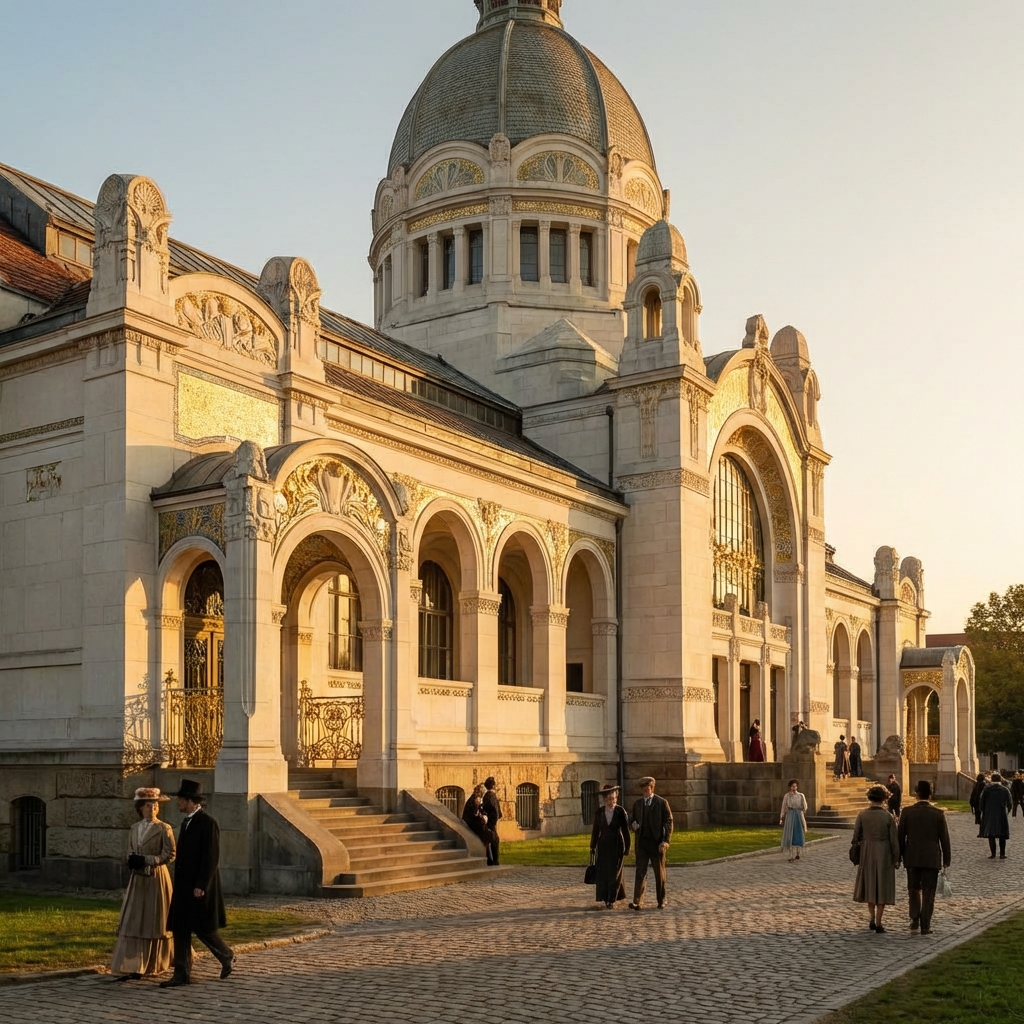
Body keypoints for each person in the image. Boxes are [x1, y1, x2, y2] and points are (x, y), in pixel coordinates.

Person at [160, 780, 234, 988]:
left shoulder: (207, 823)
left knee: (203, 927)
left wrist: (201, 885)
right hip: (183, 885)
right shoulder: (187, 822)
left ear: (191, 801)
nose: (178, 803)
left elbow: (211, 857)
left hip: (198, 887)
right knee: (180, 928)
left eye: (181, 800)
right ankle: (181, 974)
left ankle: (225, 954)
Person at [111, 788, 176, 980]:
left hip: (156, 877)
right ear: (141, 808)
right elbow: (130, 850)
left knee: (153, 918)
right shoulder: (134, 828)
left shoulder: (164, 828)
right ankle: (133, 962)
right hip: (137, 878)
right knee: (134, 918)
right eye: (149, 805)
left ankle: (155, 961)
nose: (153, 808)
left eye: (155, 805)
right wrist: (131, 860)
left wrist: (148, 860)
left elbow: (170, 854)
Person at [897, 779, 951, 935]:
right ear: (930, 795)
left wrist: (899, 856)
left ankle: (914, 919)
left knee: (913, 889)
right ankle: (925, 925)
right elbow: (944, 839)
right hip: (931, 857)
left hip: (912, 856)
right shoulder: (938, 814)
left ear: (916, 794)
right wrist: (946, 859)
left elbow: (900, 837)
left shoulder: (907, 812)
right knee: (929, 891)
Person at [852, 784, 901, 933]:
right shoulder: (888, 816)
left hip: (867, 852)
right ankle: (879, 922)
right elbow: (894, 840)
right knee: (881, 886)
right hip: (883, 852)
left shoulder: (862, 815)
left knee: (870, 885)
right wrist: (896, 858)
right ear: (884, 799)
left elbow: (855, 837)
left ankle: (872, 918)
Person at [628, 777, 673, 910]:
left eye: (647, 789)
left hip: (656, 843)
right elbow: (632, 820)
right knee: (640, 871)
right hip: (642, 843)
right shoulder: (638, 804)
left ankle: (661, 899)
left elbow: (669, 821)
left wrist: (665, 840)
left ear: (652, 788)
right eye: (642, 790)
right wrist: (633, 825)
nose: (645, 792)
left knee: (659, 873)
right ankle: (637, 901)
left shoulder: (661, 803)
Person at [589, 784, 631, 909]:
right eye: (608, 799)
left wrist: (627, 847)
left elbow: (626, 831)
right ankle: (605, 897)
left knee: (614, 872)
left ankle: (611, 899)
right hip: (603, 845)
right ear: (604, 800)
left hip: (617, 845)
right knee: (604, 872)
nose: (610, 802)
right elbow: (595, 830)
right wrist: (593, 846)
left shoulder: (620, 812)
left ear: (616, 798)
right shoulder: (599, 812)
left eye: (613, 799)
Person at [980, 772, 1012, 859]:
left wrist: (983, 810)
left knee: (991, 834)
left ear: (991, 779)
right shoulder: (1005, 790)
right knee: (1002, 834)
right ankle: (1002, 854)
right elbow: (1009, 803)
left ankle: (993, 854)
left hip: (990, 813)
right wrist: (1007, 811)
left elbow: (981, 802)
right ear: (1000, 779)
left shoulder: (987, 789)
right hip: (1001, 813)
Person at [462, 784, 497, 857]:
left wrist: (484, 816)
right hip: (471, 824)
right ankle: (487, 855)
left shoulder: (477, 800)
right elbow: (474, 815)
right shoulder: (473, 800)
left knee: (491, 834)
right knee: (490, 835)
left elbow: (481, 811)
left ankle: (488, 855)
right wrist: (482, 818)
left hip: (477, 823)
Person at [779, 779, 808, 862]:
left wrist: (801, 812)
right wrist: (781, 817)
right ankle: (791, 855)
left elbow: (805, 806)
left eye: (795, 786)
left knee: (798, 833)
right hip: (790, 815)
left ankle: (798, 852)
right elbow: (784, 806)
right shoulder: (787, 796)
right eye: (792, 786)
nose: (794, 788)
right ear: (790, 787)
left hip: (798, 815)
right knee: (790, 834)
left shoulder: (801, 795)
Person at [481, 777, 502, 866]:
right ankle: (494, 860)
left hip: (489, 821)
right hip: (491, 822)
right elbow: (495, 810)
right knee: (494, 840)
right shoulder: (491, 796)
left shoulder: (487, 796)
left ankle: (491, 859)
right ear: (493, 786)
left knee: (490, 840)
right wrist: (495, 820)